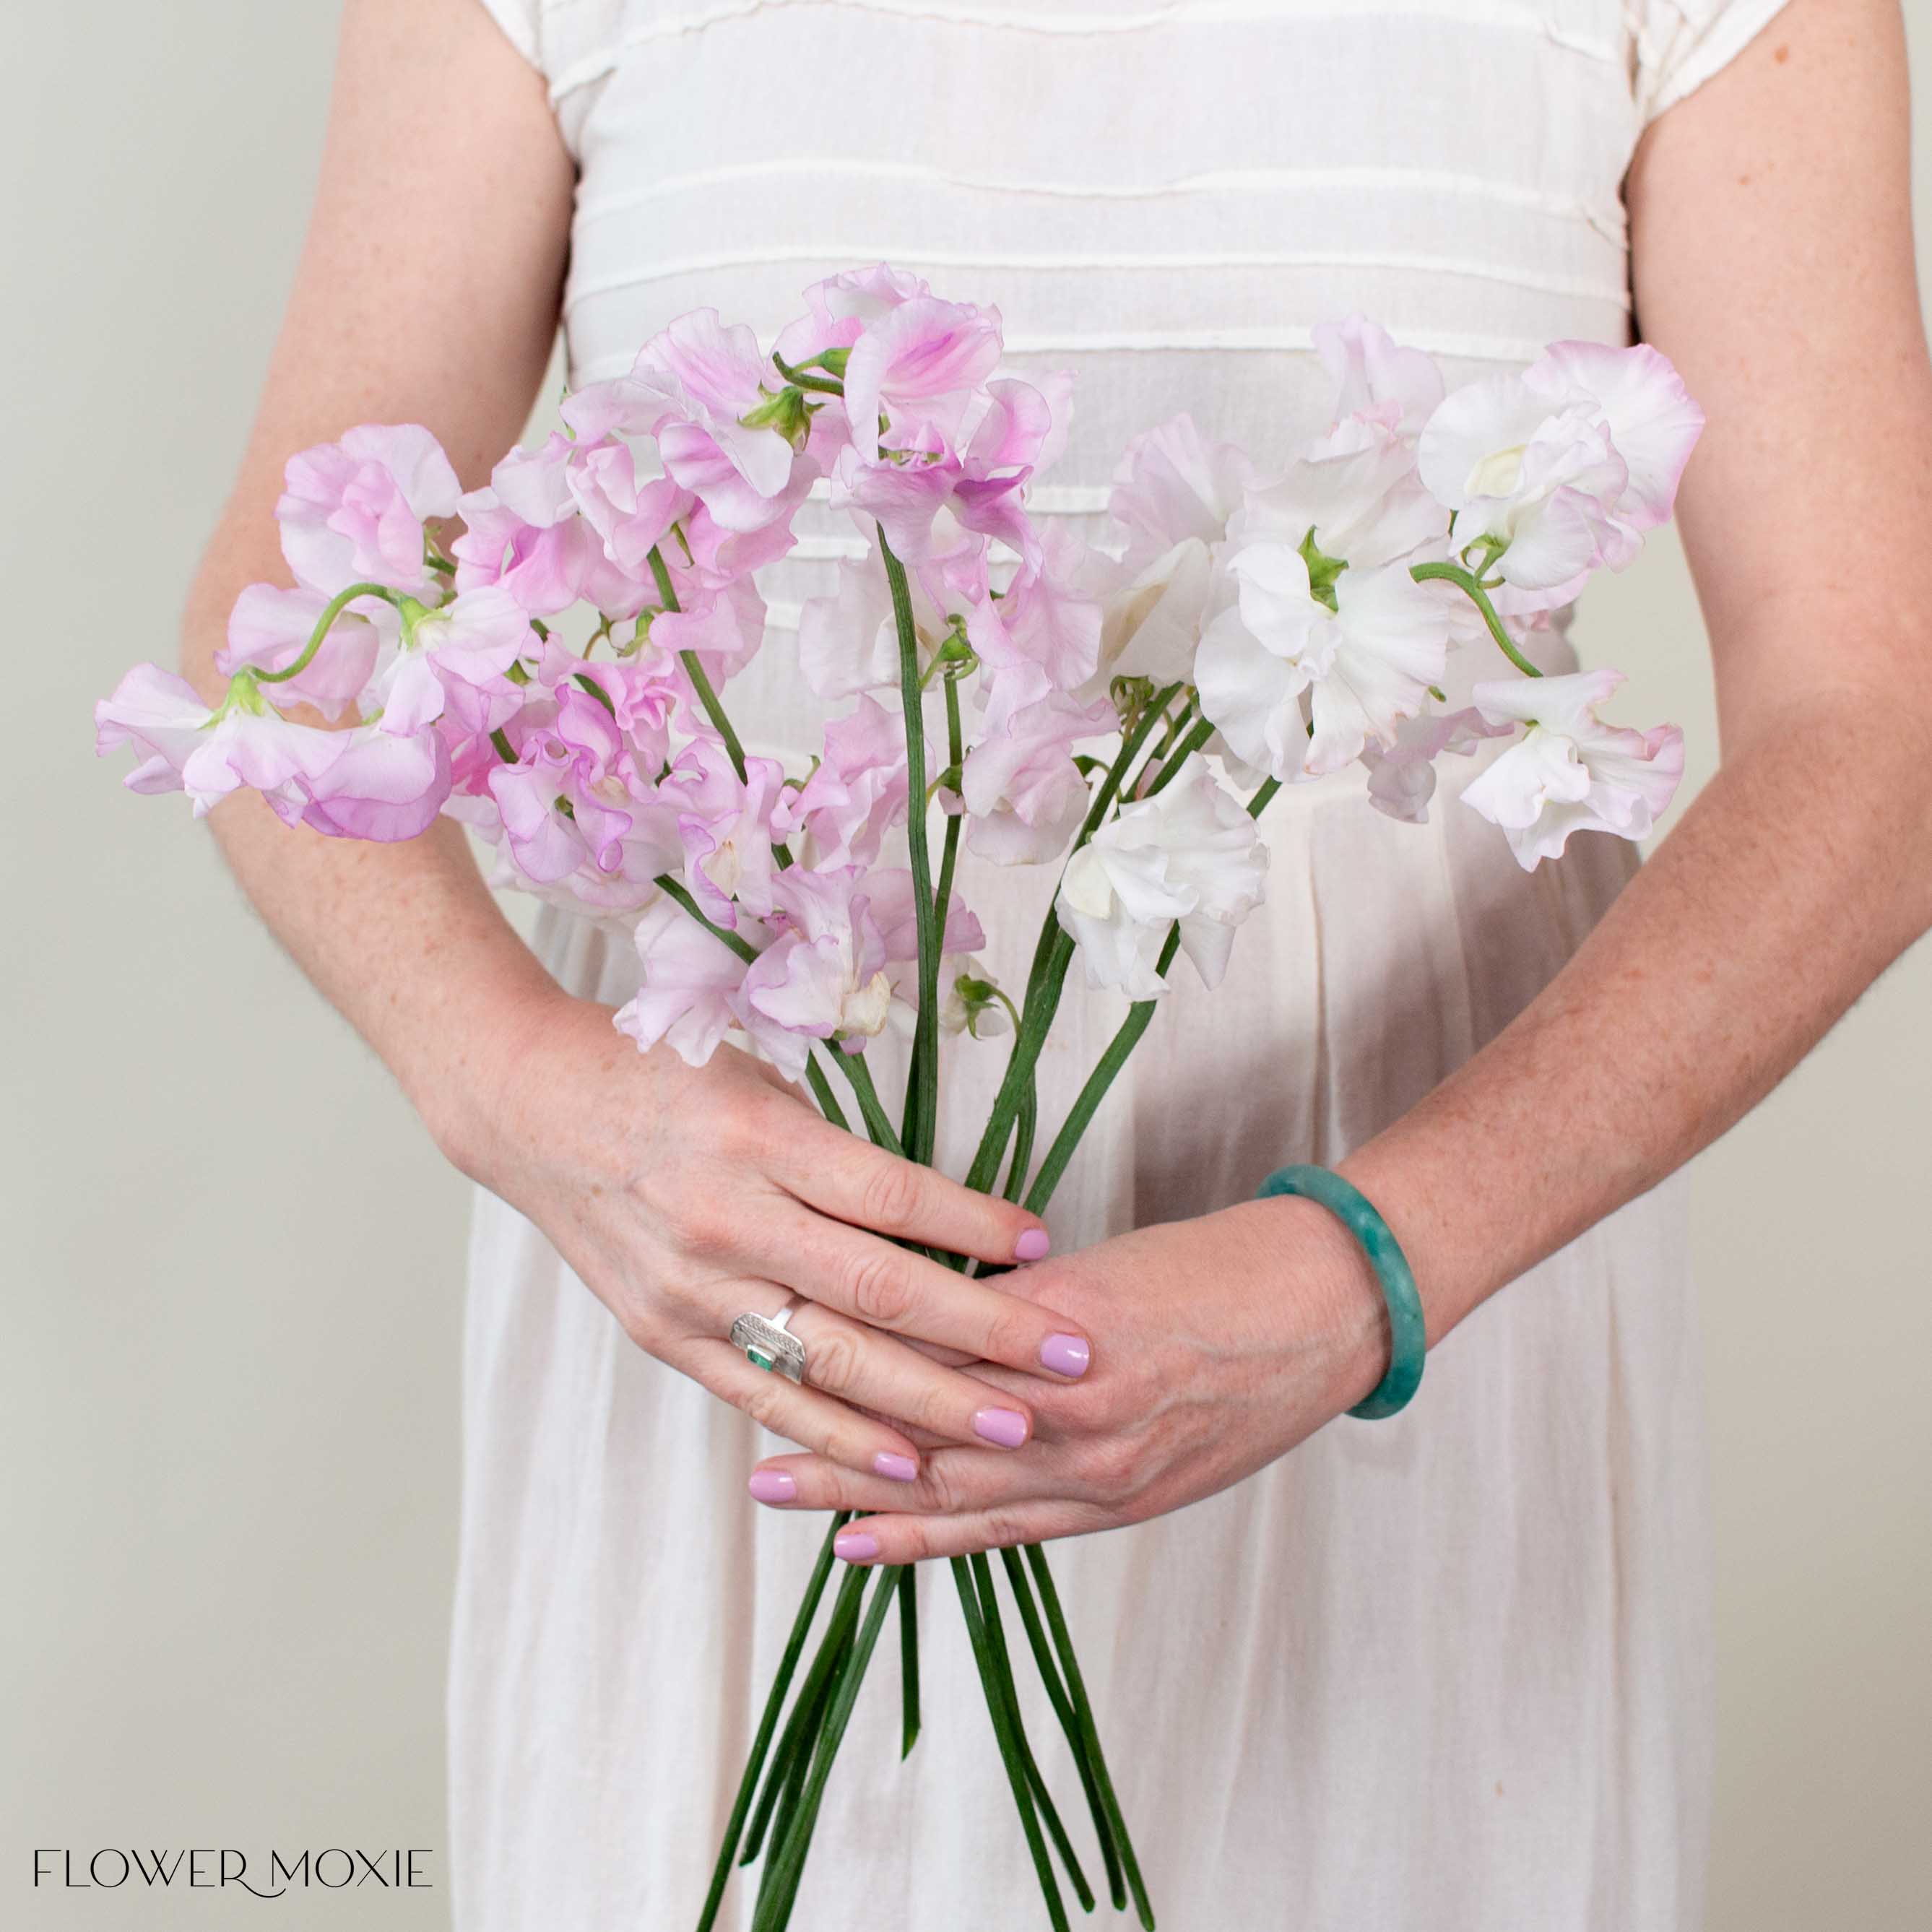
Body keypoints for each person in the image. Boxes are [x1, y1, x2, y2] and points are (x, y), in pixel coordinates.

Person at [179, 0, 1932, 1925]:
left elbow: (1877, 719)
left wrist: (1368, 1266)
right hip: (733, 1305)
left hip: (1414, 1311)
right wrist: (529, 1095)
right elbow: (282, 651)